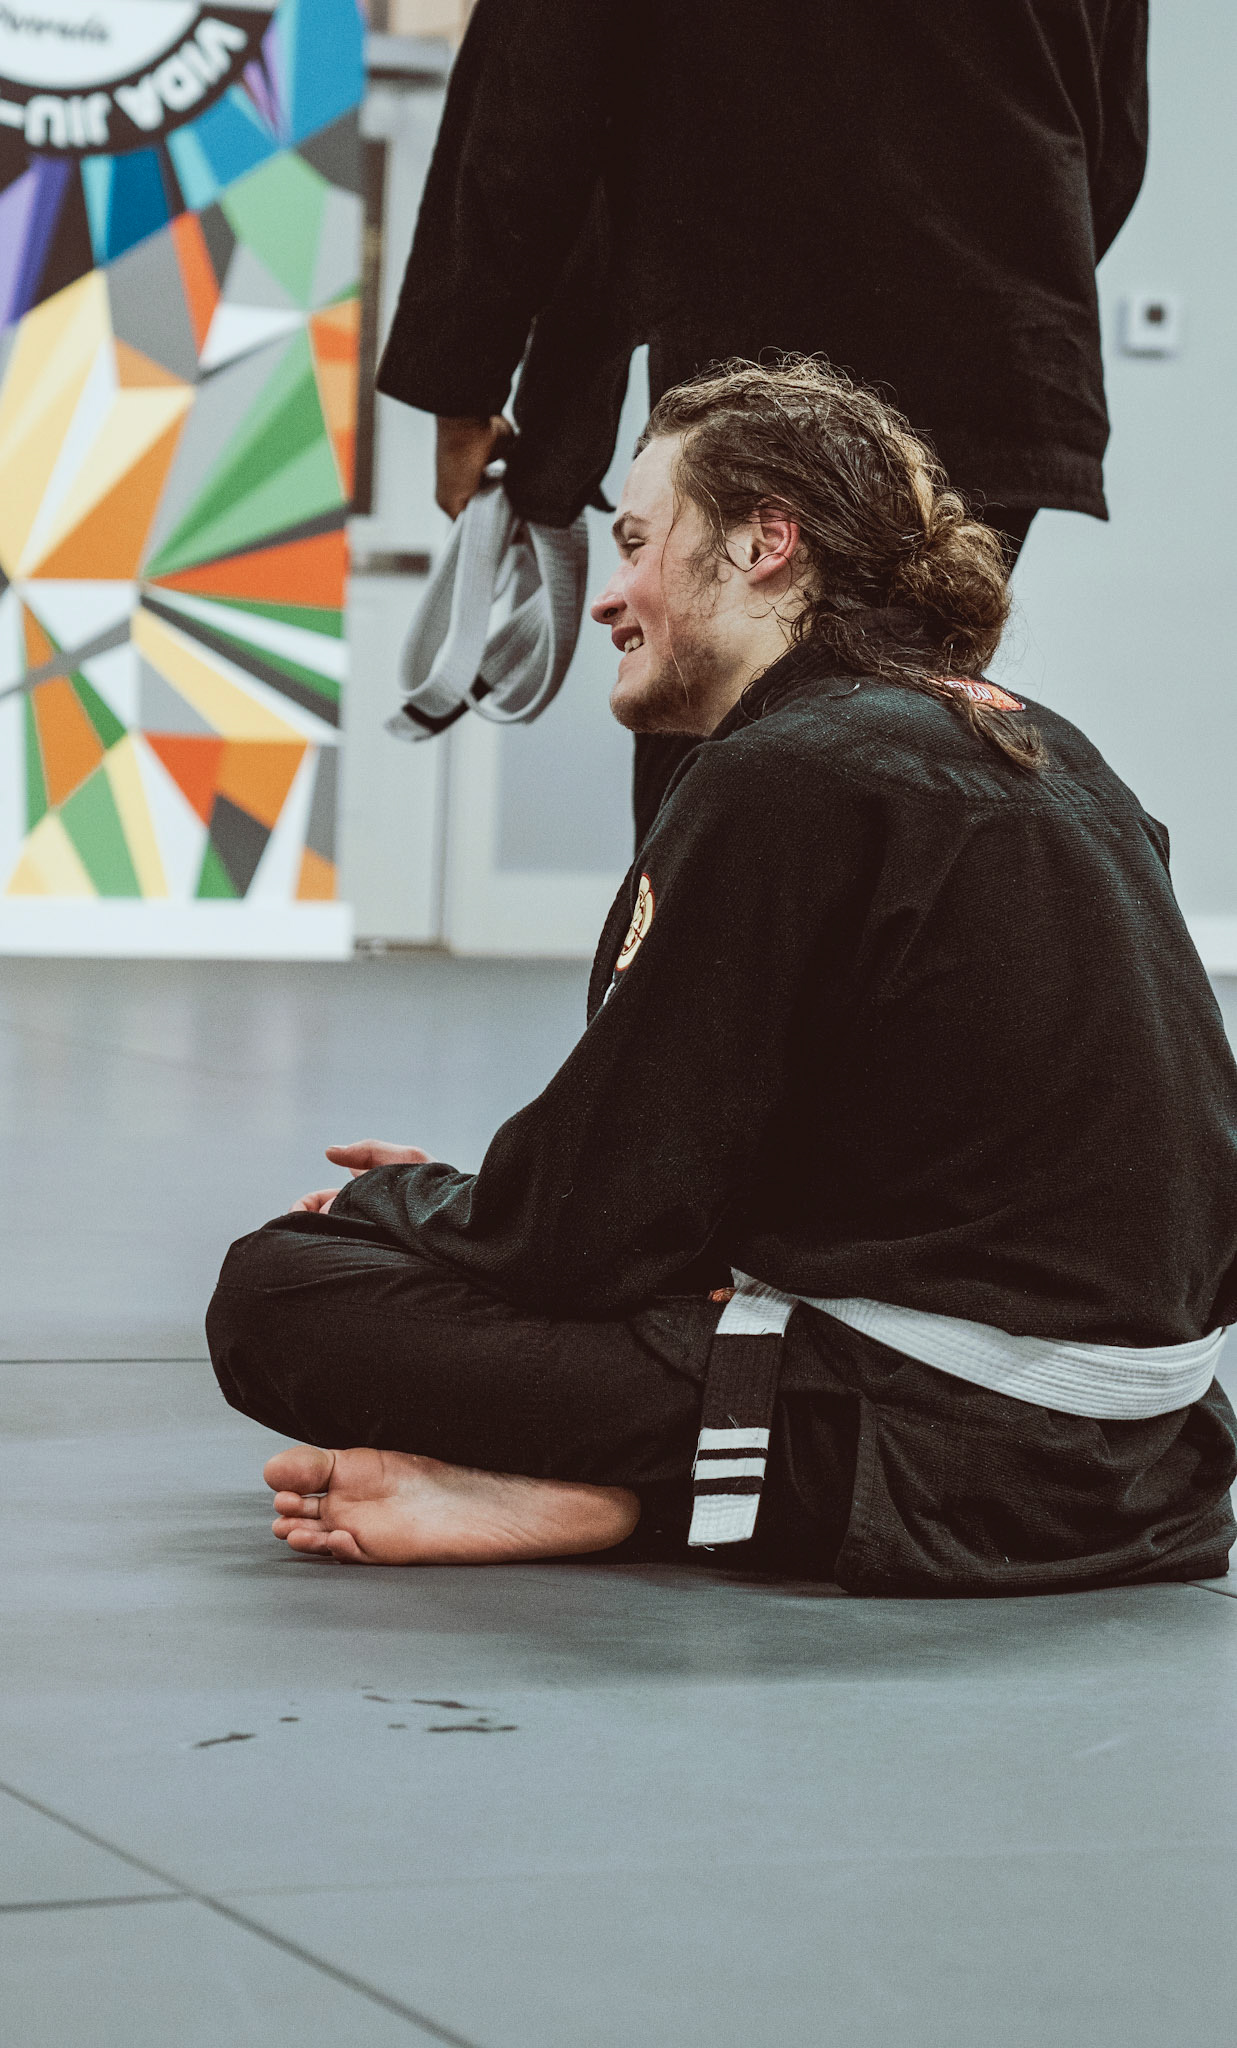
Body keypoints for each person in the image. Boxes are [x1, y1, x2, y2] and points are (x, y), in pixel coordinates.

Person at [208, 359, 1237, 1595]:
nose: (610, 596)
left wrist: (402, 1202)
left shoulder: (784, 772)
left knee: (283, 1287)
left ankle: (633, 1492)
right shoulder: (1049, 746)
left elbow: (582, 1231)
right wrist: (486, 1207)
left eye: (638, 541)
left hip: (936, 1448)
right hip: (1155, 1466)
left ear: (765, 545)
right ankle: (627, 1489)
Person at [373, 0, 1149, 843]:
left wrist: (463, 387)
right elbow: (1112, 131)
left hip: (755, 334)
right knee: (901, 751)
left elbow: (529, 85)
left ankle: (707, 931)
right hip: (991, 346)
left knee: (730, 753)